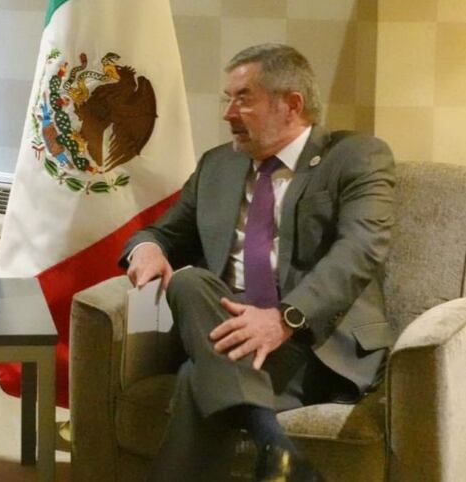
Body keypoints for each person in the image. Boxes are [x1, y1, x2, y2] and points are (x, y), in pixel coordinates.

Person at [123, 44, 394, 481]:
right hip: (228, 328)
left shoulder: (356, 156)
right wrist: (147, 250)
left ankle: (275, 445)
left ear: (292, 104)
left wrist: (285, 318)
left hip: (314, 343)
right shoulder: (217, 166)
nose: (228, 113)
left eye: (243, 98)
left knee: (198, 378)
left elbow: (360, 249)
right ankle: (278, 448)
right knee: (189, 284)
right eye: (226, 99)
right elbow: (158, 233)